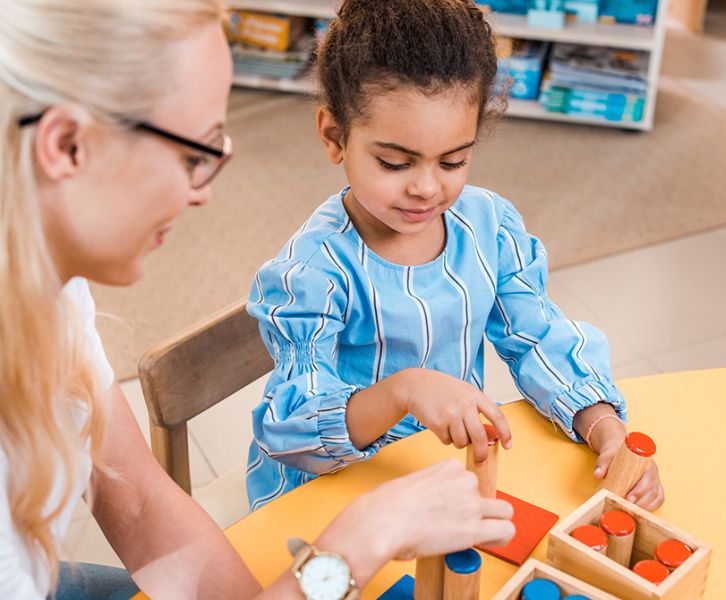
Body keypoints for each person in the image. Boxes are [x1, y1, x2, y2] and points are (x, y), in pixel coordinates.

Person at [0, 1, 515, 599]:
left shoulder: (48, 286)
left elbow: (139, 504)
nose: (204, 195)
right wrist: (356, 545)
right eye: (194, 154)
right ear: (65, 146)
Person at [246, 0, 665, 512]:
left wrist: (604, 426)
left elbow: (538, 338)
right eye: (394, 162)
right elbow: (290, 428)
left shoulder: (490, 225)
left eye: (454, 161)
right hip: (336, 496)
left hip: (443, 474)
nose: (426, 187)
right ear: (335, 137)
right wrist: (403, 390)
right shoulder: (310, 275)